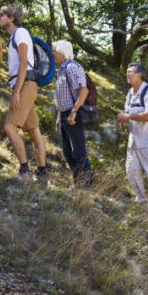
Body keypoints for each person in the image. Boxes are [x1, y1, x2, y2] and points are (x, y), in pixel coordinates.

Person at [0, 5, 47, 182]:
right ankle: (42, 174)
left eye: (2, 14)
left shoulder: (20, 33)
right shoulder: (15, 36)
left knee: (9, 127)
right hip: (25, 84)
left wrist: (17, 91)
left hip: (25, 85)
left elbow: (24, 64)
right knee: (34, 131)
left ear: (11, 18)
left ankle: (25, 172)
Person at [116, 63, 148, 207]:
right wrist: (122, 121)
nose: (127, 74)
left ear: (140, 74)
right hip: (134, 139)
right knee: (131, 170)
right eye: (127, 71)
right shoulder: (130, 93)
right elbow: (128, 114)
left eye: (130, 72)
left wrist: (128, 116)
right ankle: (141, 200)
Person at [52, 40, 94, 187]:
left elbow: (84, 91)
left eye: (54, 51)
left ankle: (87, 183)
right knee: (67, 152)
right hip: (65, 114)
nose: (53, 54)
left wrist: (74, 112)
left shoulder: (72, 67)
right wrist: (59, 117)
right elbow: (63, 96)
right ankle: (79, 183)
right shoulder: (61, 70)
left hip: (74, 113)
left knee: (78, 150)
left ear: (63, 53)